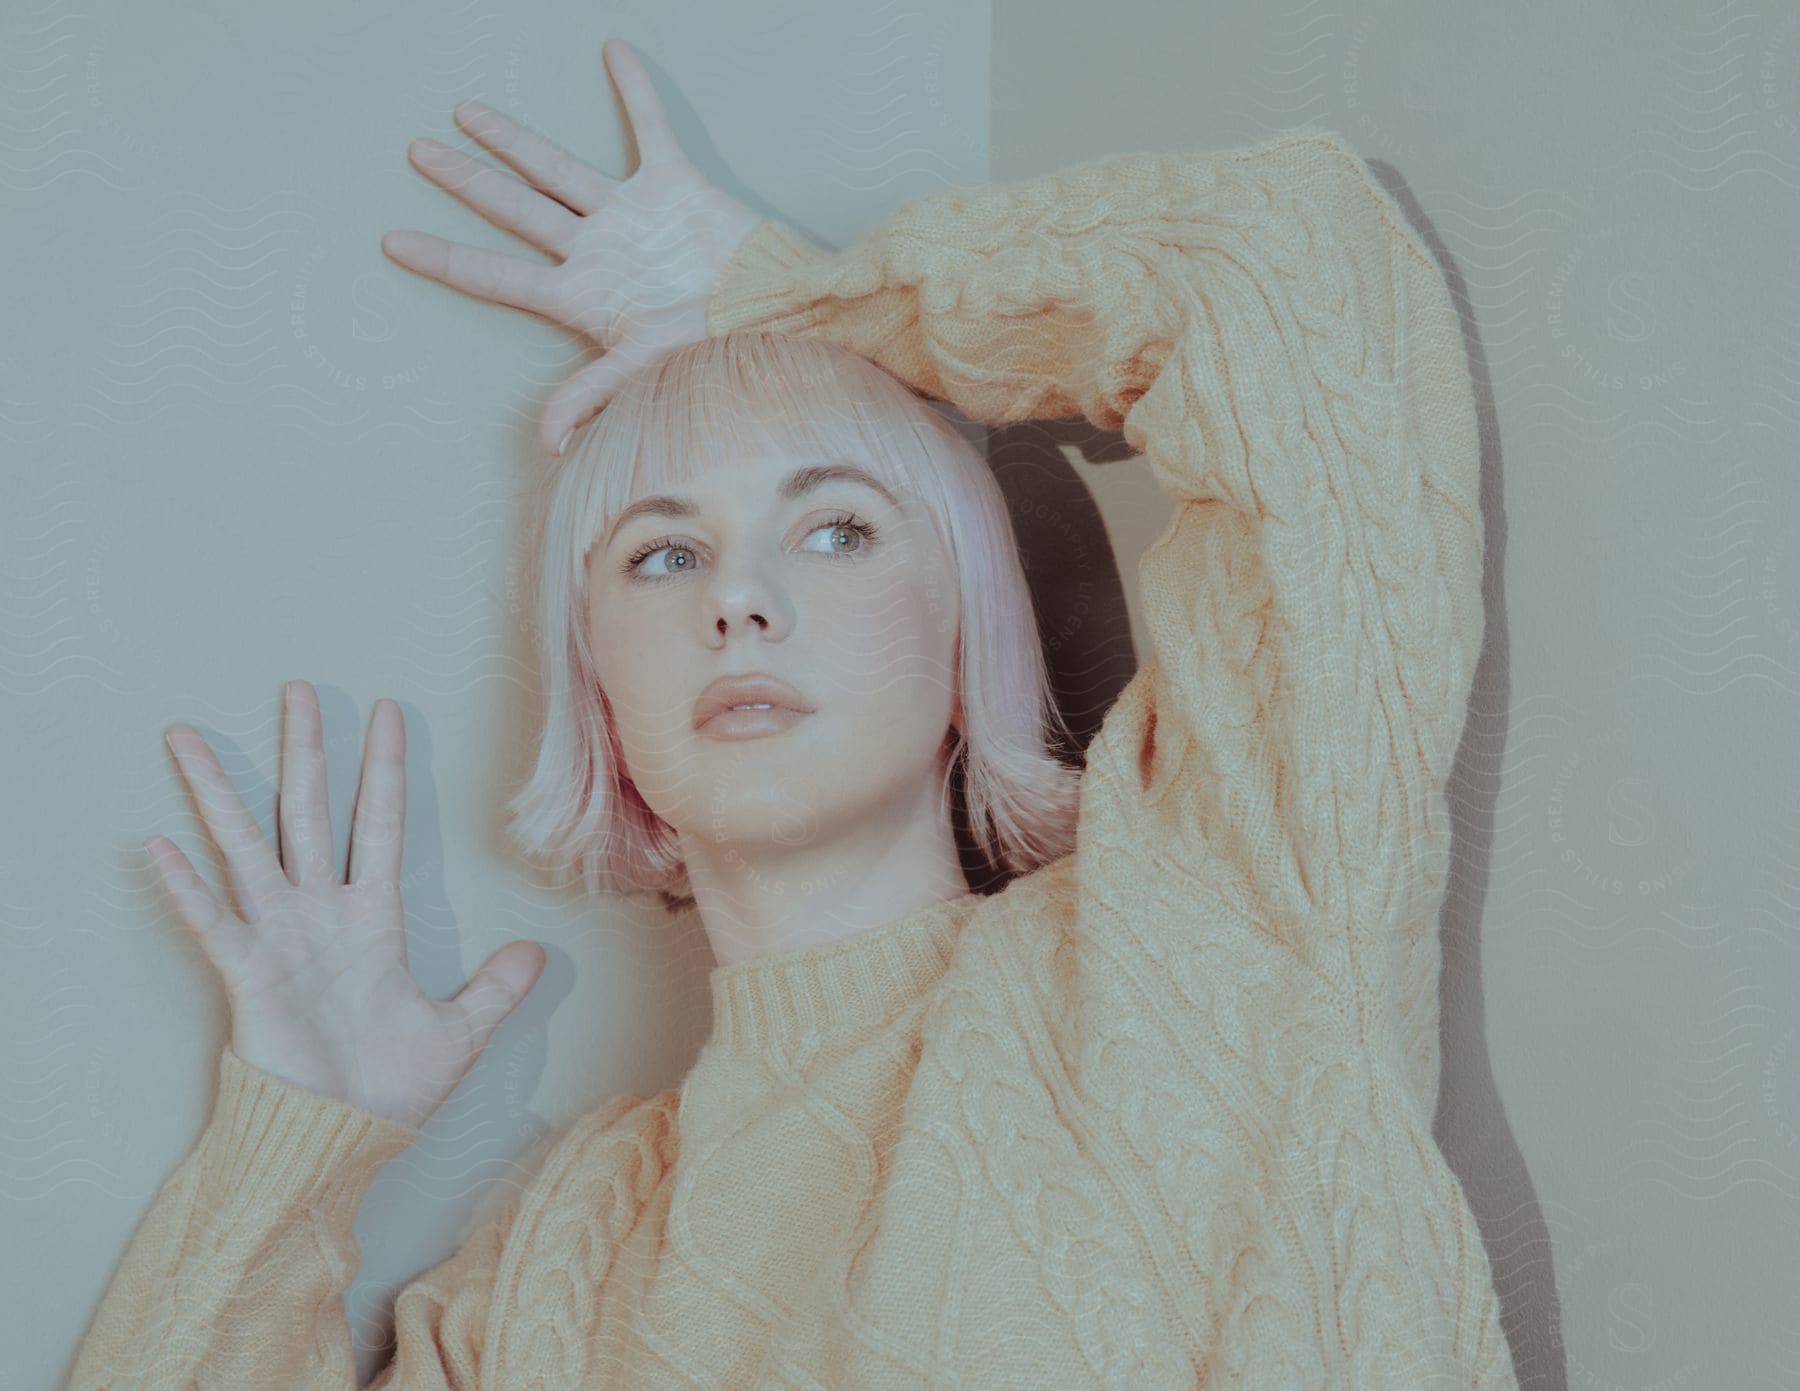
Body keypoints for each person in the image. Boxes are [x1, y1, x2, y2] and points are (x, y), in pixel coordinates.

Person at [65, 37, 1514, 1391]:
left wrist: (800, 297)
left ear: (968, 645)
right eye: (663, 554)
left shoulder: (1209, 920)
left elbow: (1293, 266)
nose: (738, 602)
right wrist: (295, 1148)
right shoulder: (562, 1262)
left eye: (835, 532)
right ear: (602, 689)